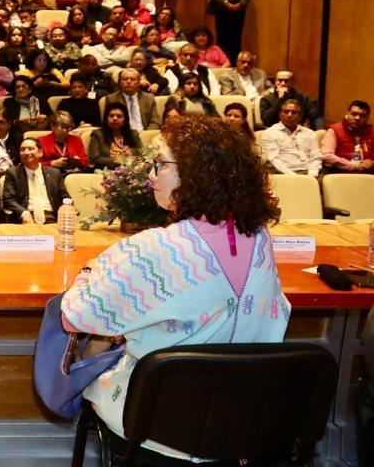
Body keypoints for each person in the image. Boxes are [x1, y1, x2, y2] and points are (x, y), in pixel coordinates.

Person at [60, 117, 286, 462]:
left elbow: (75, 317)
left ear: (195, 174)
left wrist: (89, 270)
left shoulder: (157, 248)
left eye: (160, 164)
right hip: (246, 418)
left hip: (162, 423)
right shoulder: (259, 237)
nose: (150, 175)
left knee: (96, 356)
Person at [3, 138, 68, 224]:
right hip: (25, 219)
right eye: (22, 149)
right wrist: (24, 213)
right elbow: (8, 199)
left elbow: (65, 197)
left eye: (30, 149)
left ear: (40, 152)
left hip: (52, 219)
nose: (26, 152)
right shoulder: (13, 173)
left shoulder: (54, 173)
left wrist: (65, 207)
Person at [259, 99, 321, 177]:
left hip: (308, 172)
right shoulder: (270, 133)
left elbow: (316, 157)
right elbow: (273, 159)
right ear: (280, 114)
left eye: (294, 112)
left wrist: (312, 174)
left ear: (301, 116)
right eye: (285, 112)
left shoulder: (310, 133)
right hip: (282, 173)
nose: (289, 115)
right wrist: (293, 177)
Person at [322, 100, 374, 175]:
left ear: (367, 118)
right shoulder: (335, 130)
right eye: (354, 114)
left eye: (362, 116)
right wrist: (355, 166)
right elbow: (326, 155)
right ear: (347, 114)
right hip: (342, 174)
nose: (357, 118)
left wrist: (372, 163)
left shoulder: (372, 132)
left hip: (369, 174)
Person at [89, 103, 142, 168]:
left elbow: (142, 154)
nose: (115, 118)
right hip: (106, 172)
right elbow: (94, 158)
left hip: (132, 171)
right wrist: (121, 161)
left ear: (125, 119)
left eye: (119, 116)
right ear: (106, 118)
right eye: (111, 116)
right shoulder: (97, 134)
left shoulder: (133, 134)